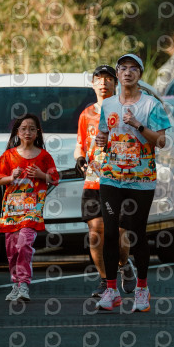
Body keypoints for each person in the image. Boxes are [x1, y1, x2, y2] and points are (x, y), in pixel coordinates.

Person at [95, 53, 171, 312]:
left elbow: (161, 142)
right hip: (111, 177)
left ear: (140, 74)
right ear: (117, 74)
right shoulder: (108, 104)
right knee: (109, 231)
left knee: (137, 233)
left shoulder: (151, 105)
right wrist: (101, 141)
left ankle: (142, 289)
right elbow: (104, 135)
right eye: (123, 68)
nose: (128, 72)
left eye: (133, 68)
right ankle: (111, 290)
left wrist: (138, 125)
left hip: (141, 179)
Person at [74, 65, 137, 298]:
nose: (103, 83)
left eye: (108, 79)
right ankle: (105, 281)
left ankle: (124, 265)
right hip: (93, 181)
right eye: (99, 79)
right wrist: (79, 159)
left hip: (120, 180)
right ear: (93, 84)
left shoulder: (125, 111)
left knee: (118, 233)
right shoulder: (86, 114)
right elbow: (80, 145)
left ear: (115, 83)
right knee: (95, 233)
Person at [0, 113, 59, 302]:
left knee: (24, 244)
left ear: (37, 132)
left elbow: (54, 179)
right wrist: (11, 177)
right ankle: (15, 284)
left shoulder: (44, 156)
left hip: (32, 210)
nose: (27, 132)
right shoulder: (8, 156)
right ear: (17, 132)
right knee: (12, 249)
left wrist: (41, 175)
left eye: (32, 129)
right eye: (23, 129)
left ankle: (24, 284)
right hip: (11, 211)